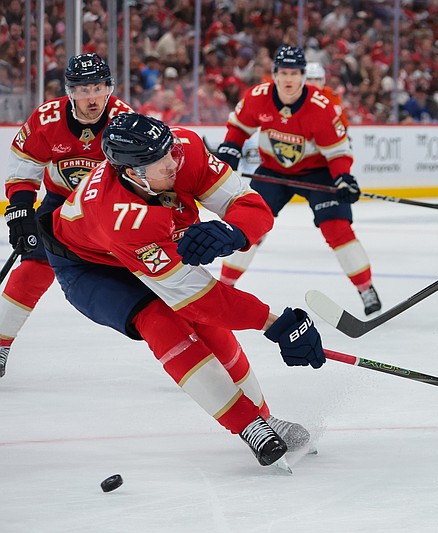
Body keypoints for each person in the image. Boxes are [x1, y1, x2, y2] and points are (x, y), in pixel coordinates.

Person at [40, 113, 326, 468]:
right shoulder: (119, 217)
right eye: (161, 163)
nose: (173, 163)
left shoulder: (184, 148)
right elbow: (198, 300)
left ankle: (265, 418)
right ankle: (248, 425)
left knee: (211, 329)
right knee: (161, 320)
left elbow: (250, 206)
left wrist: (236, 232)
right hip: (91, 268)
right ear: (133, 173)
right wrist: (275, 324)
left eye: (170, 152)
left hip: (148, 243)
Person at [215, 45, 382, 316]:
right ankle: (224, 286)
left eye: (294, 73)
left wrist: (342, 177)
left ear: (303, 76)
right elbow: (239, 127)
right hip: (273, 172)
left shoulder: (322, 107)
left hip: (317, 172)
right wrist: (230, 148)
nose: (289, 79)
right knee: (247, 226)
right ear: (275, 74)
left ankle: (366, 288)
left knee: (337, 229)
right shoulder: (258, 97)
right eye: (283, 72)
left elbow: (338, 151)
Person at [0, 53, 134, 378]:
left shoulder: (124, 120)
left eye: (99, 87)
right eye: (83, 89)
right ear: (69, 91)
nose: (92, 97)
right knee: (34, 265)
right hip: (60, 204)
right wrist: (20, 213)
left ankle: (195, 335)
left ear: (110, 88)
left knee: (153, 268)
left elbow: (138, 177)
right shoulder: (47, 120)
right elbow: (24, 167)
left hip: (108, 208)